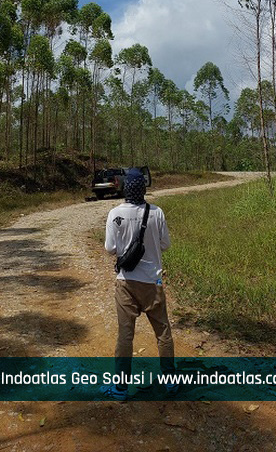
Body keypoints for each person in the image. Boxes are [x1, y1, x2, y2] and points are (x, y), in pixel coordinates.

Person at [102, 168, 176, 400]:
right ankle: (170, 382)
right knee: (163, 332)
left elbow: (110, 249)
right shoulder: (156, 213)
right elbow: (165, 245)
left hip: (126, 283)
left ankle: (120, 388)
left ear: (125, 188)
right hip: (152, 282)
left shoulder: (115, 213)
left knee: (125, 335)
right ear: (143, 189)